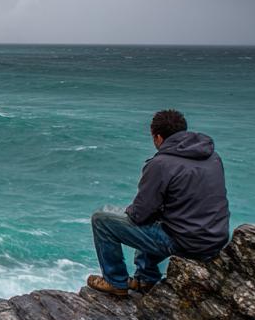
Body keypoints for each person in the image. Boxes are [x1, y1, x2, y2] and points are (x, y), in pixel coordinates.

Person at [87, 109, 230, 297]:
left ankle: (116, 281)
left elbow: (140, 214)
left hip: (187, 243)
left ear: (158, 137)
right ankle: (145, 279)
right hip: (215, 238)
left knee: (102, 220)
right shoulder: (212, 156)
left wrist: (133, 211)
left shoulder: (161, 164)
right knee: (157, 217)